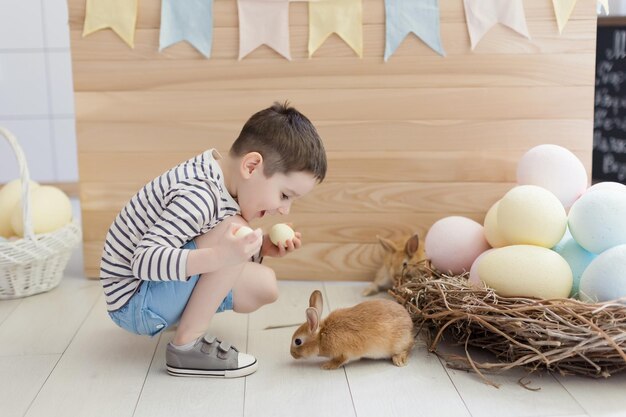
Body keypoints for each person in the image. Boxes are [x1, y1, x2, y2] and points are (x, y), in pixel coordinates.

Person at [100, 102, 327, 378]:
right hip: (134, 300)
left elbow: (196, 241)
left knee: (264, 285)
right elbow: (143, 261)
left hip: (151, 291)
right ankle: (185, 347)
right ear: (252, 166)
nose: (284, 209)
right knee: (236, 229)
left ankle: (186, 317)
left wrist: (260, 247)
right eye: (284, 195)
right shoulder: (200, 195)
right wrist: (222, 255)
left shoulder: (220, 182)